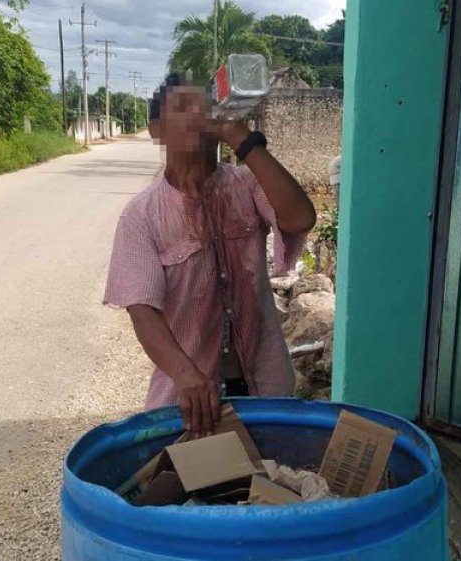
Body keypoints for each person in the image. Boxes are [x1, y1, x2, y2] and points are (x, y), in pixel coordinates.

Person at [103, 73, 316, 438]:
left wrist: (243, 140)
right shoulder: (142, 216)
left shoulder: (248, 184)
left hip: (265, 388)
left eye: (203, 105)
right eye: (183, 107)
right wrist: (186, 374)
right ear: (157, 130)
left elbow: (300, 217)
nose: (198, 115)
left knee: (272, 487)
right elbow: (143, 311)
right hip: (190, 402)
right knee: (196, 490)